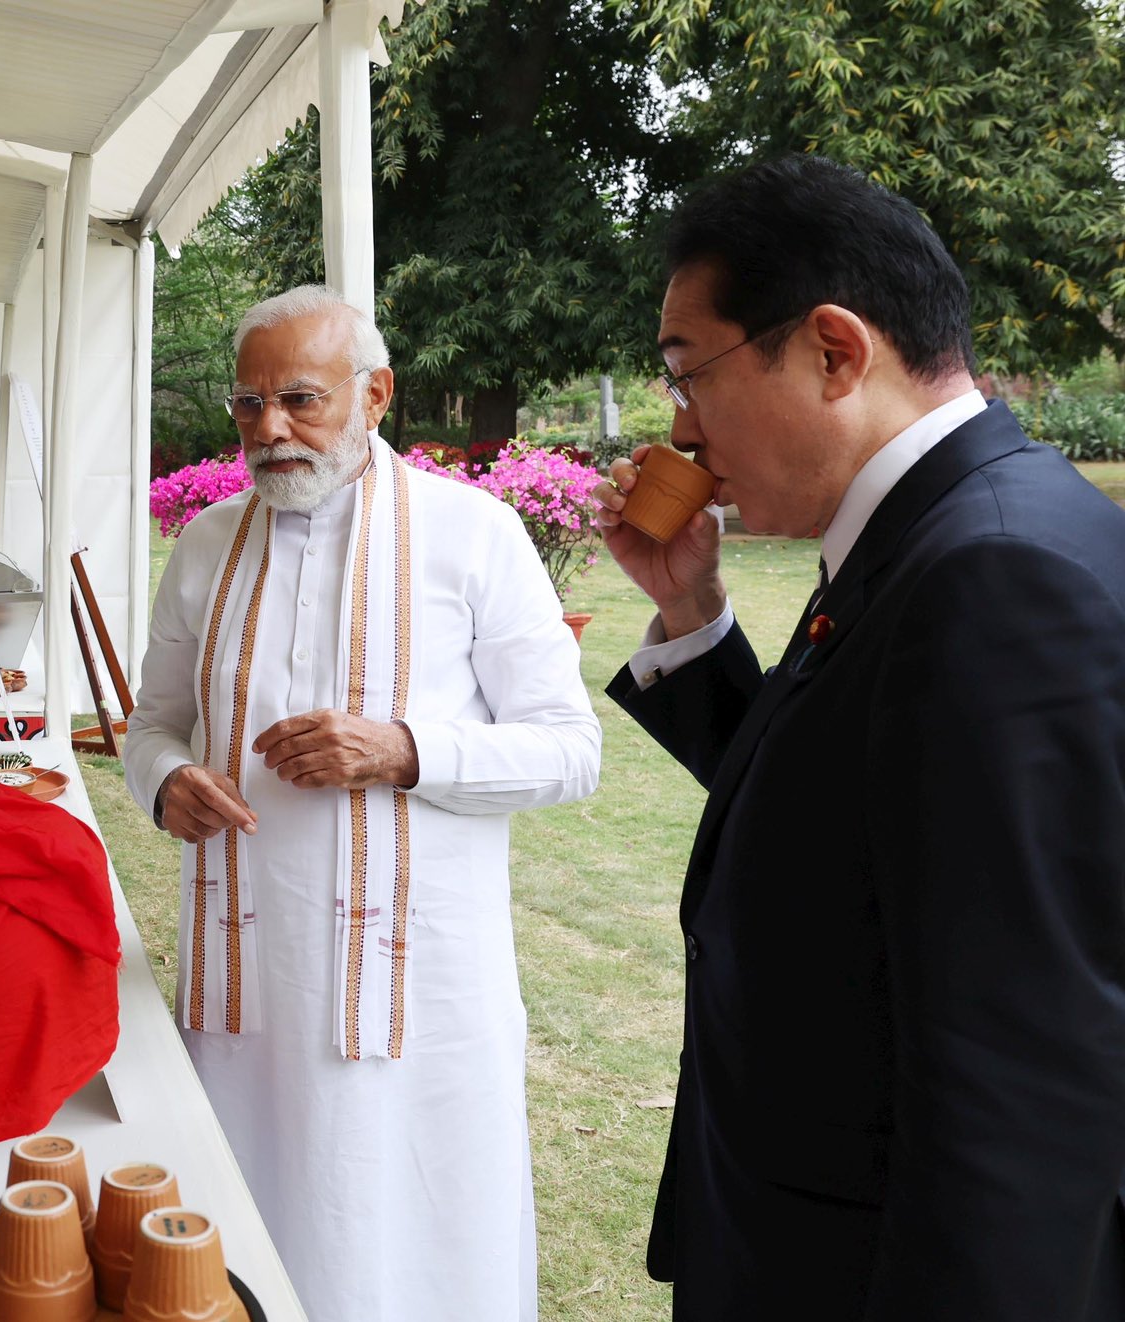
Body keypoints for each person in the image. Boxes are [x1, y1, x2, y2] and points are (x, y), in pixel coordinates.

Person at [595, 155, 1125, 1319]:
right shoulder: (930, 531)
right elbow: (853, 813)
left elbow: (1019, 1090)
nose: (680, 429)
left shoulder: (992, 572)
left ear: (832, 350)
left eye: (689, 374)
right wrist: (689, 613)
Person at [124, 286, 601, 1320]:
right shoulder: (206, 543)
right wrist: (165, 782)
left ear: (375, 393)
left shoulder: (472, 533)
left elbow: (570, 750)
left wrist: (402, 749)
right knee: (247, 1230)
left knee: (410, 1247)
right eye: (248, 403)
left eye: (299, 398)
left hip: (415, 989)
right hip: (246, 980)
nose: (269, 429)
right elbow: (149, 724)